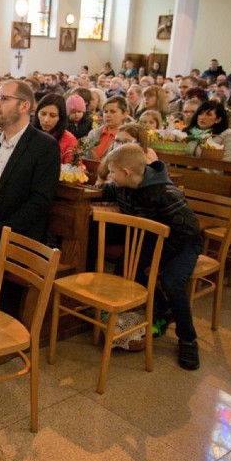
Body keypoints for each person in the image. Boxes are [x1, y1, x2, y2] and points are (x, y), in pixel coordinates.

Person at [98, 145, 202, 370]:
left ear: (126, 172)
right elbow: (108, 190)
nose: (110, 177)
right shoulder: (124, 186)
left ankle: (188, 339)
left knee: (172, 281)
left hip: (183, 244)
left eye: (112, 172)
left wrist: (161, 259)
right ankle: (164, 308)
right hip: (154, 242)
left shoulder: (165, 193)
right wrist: (97, 186)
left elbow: (190, 231)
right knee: (128, 266)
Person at [0, 80, 60, 305]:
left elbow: (38, 203)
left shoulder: (44, 147)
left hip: (17, 238)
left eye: (3, 99)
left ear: (24, 106)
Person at [34, 93, 77, 163]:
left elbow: (72, 169)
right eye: (43, 114)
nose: (46, 120)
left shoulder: (70, 140)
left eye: (53, 116)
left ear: (60, 118)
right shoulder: (28, 134)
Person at [86, 95, 129, 160]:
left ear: (124, 114)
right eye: (105, 112)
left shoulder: (129, 136)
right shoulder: (93, 133)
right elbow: (84, 157)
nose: (107, 115)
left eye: (112, 111)